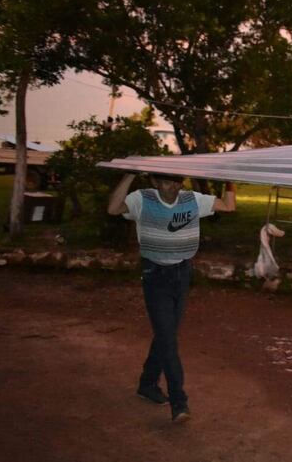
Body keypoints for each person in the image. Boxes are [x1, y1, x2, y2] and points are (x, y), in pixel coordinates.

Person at [107, 173, 236, 423]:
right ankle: (179, 402)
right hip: (155, 275)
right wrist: (130, 172)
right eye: (166, 181)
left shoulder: (192, 200)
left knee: (166, 334)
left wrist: (229, 179)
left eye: (177, 181)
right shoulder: (142, 199)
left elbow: (229, 206)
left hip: (182, 274)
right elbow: (113, 208)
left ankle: (147, 383)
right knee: (168, 339)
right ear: (155, 182)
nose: (173, 187)